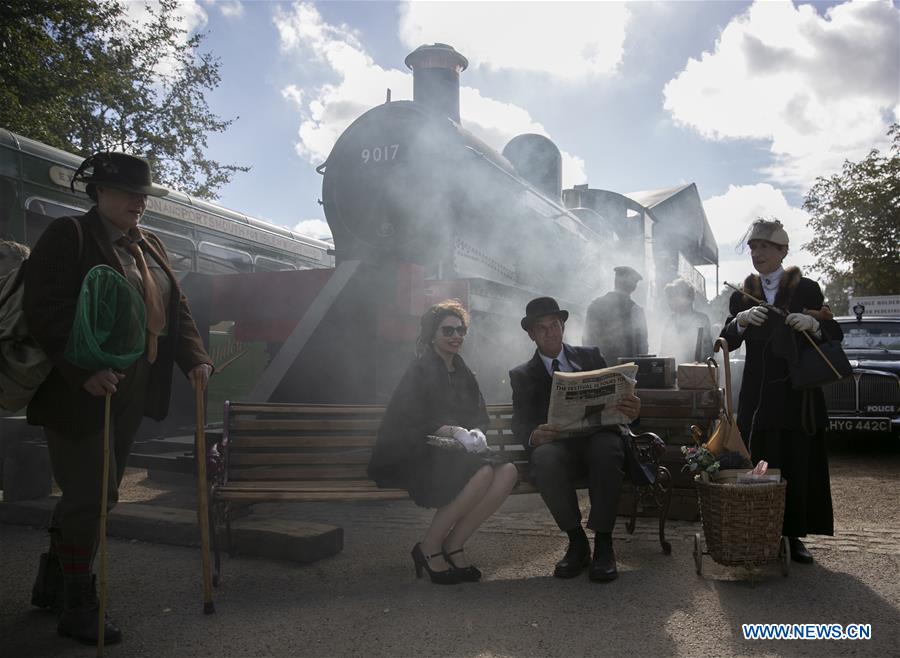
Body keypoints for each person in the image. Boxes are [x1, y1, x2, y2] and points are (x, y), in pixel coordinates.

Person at [23, 152, 213, 644]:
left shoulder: (149, 245)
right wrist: (83, 369)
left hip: (133, 383)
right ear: (98, 193)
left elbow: (177, 306)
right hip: (83, 385)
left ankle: (54, 583)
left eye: (144, 195)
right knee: (94, 494)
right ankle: (79, 606)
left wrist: (193, 357)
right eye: (130, 193)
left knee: (96, 492)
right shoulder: (72, 235)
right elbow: (46, 306)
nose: (140, 202)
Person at [367, 300, 518, 584]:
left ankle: (454, 544)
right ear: (432, 335)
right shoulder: (420, 369)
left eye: (460, 330)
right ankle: (430, 547)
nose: (456, 336)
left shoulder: (463, 370)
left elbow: (479, 415)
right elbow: (407, 419)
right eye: (448, 331)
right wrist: (451, 430)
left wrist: (477, 432)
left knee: (508, 472)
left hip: (454, 452)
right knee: (483, 471)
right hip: (417, 452)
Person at [720, 218, 840, 564]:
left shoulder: (807, 289)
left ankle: (793, 535)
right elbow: (724, 341)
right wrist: (739, 321)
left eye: (764, 247)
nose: (757, 253)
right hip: (758, 395)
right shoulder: (742, 293)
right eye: (753, 247)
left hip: (797, 394)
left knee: (795, 463)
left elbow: (834, 334)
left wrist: (815, 324)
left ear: (782, 251)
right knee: (760, 464)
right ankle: (760, 532)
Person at [510, 297, 641, 582]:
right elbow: (520, 422)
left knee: (607, 447)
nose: (550, 332)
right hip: (559, 449)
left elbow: (622, 405)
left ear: (563, 326)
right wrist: (534, 434)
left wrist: (633, 409)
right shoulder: (521, 375)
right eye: (541, 328)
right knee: (544, 457)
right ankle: (577, 542)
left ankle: (604, 543)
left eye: (554, 324)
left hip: (598, 441)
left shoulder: (591, 357)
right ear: (531, 334)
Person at [583, 265, 648, 364]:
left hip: (599, 369)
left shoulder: (595, 305)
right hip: (627, 370)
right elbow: (642, 346)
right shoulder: (636, 310)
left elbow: (587, 340)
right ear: (633, 287)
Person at [659, 278, 712, 364]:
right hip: (673, 369)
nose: (670, 302)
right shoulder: (670, 320)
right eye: (670, 297)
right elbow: (663, 348)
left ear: (688, 298)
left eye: (673, 297)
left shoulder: (702, 319)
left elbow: (708, 349)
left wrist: (703, 365)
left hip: (696, 371)